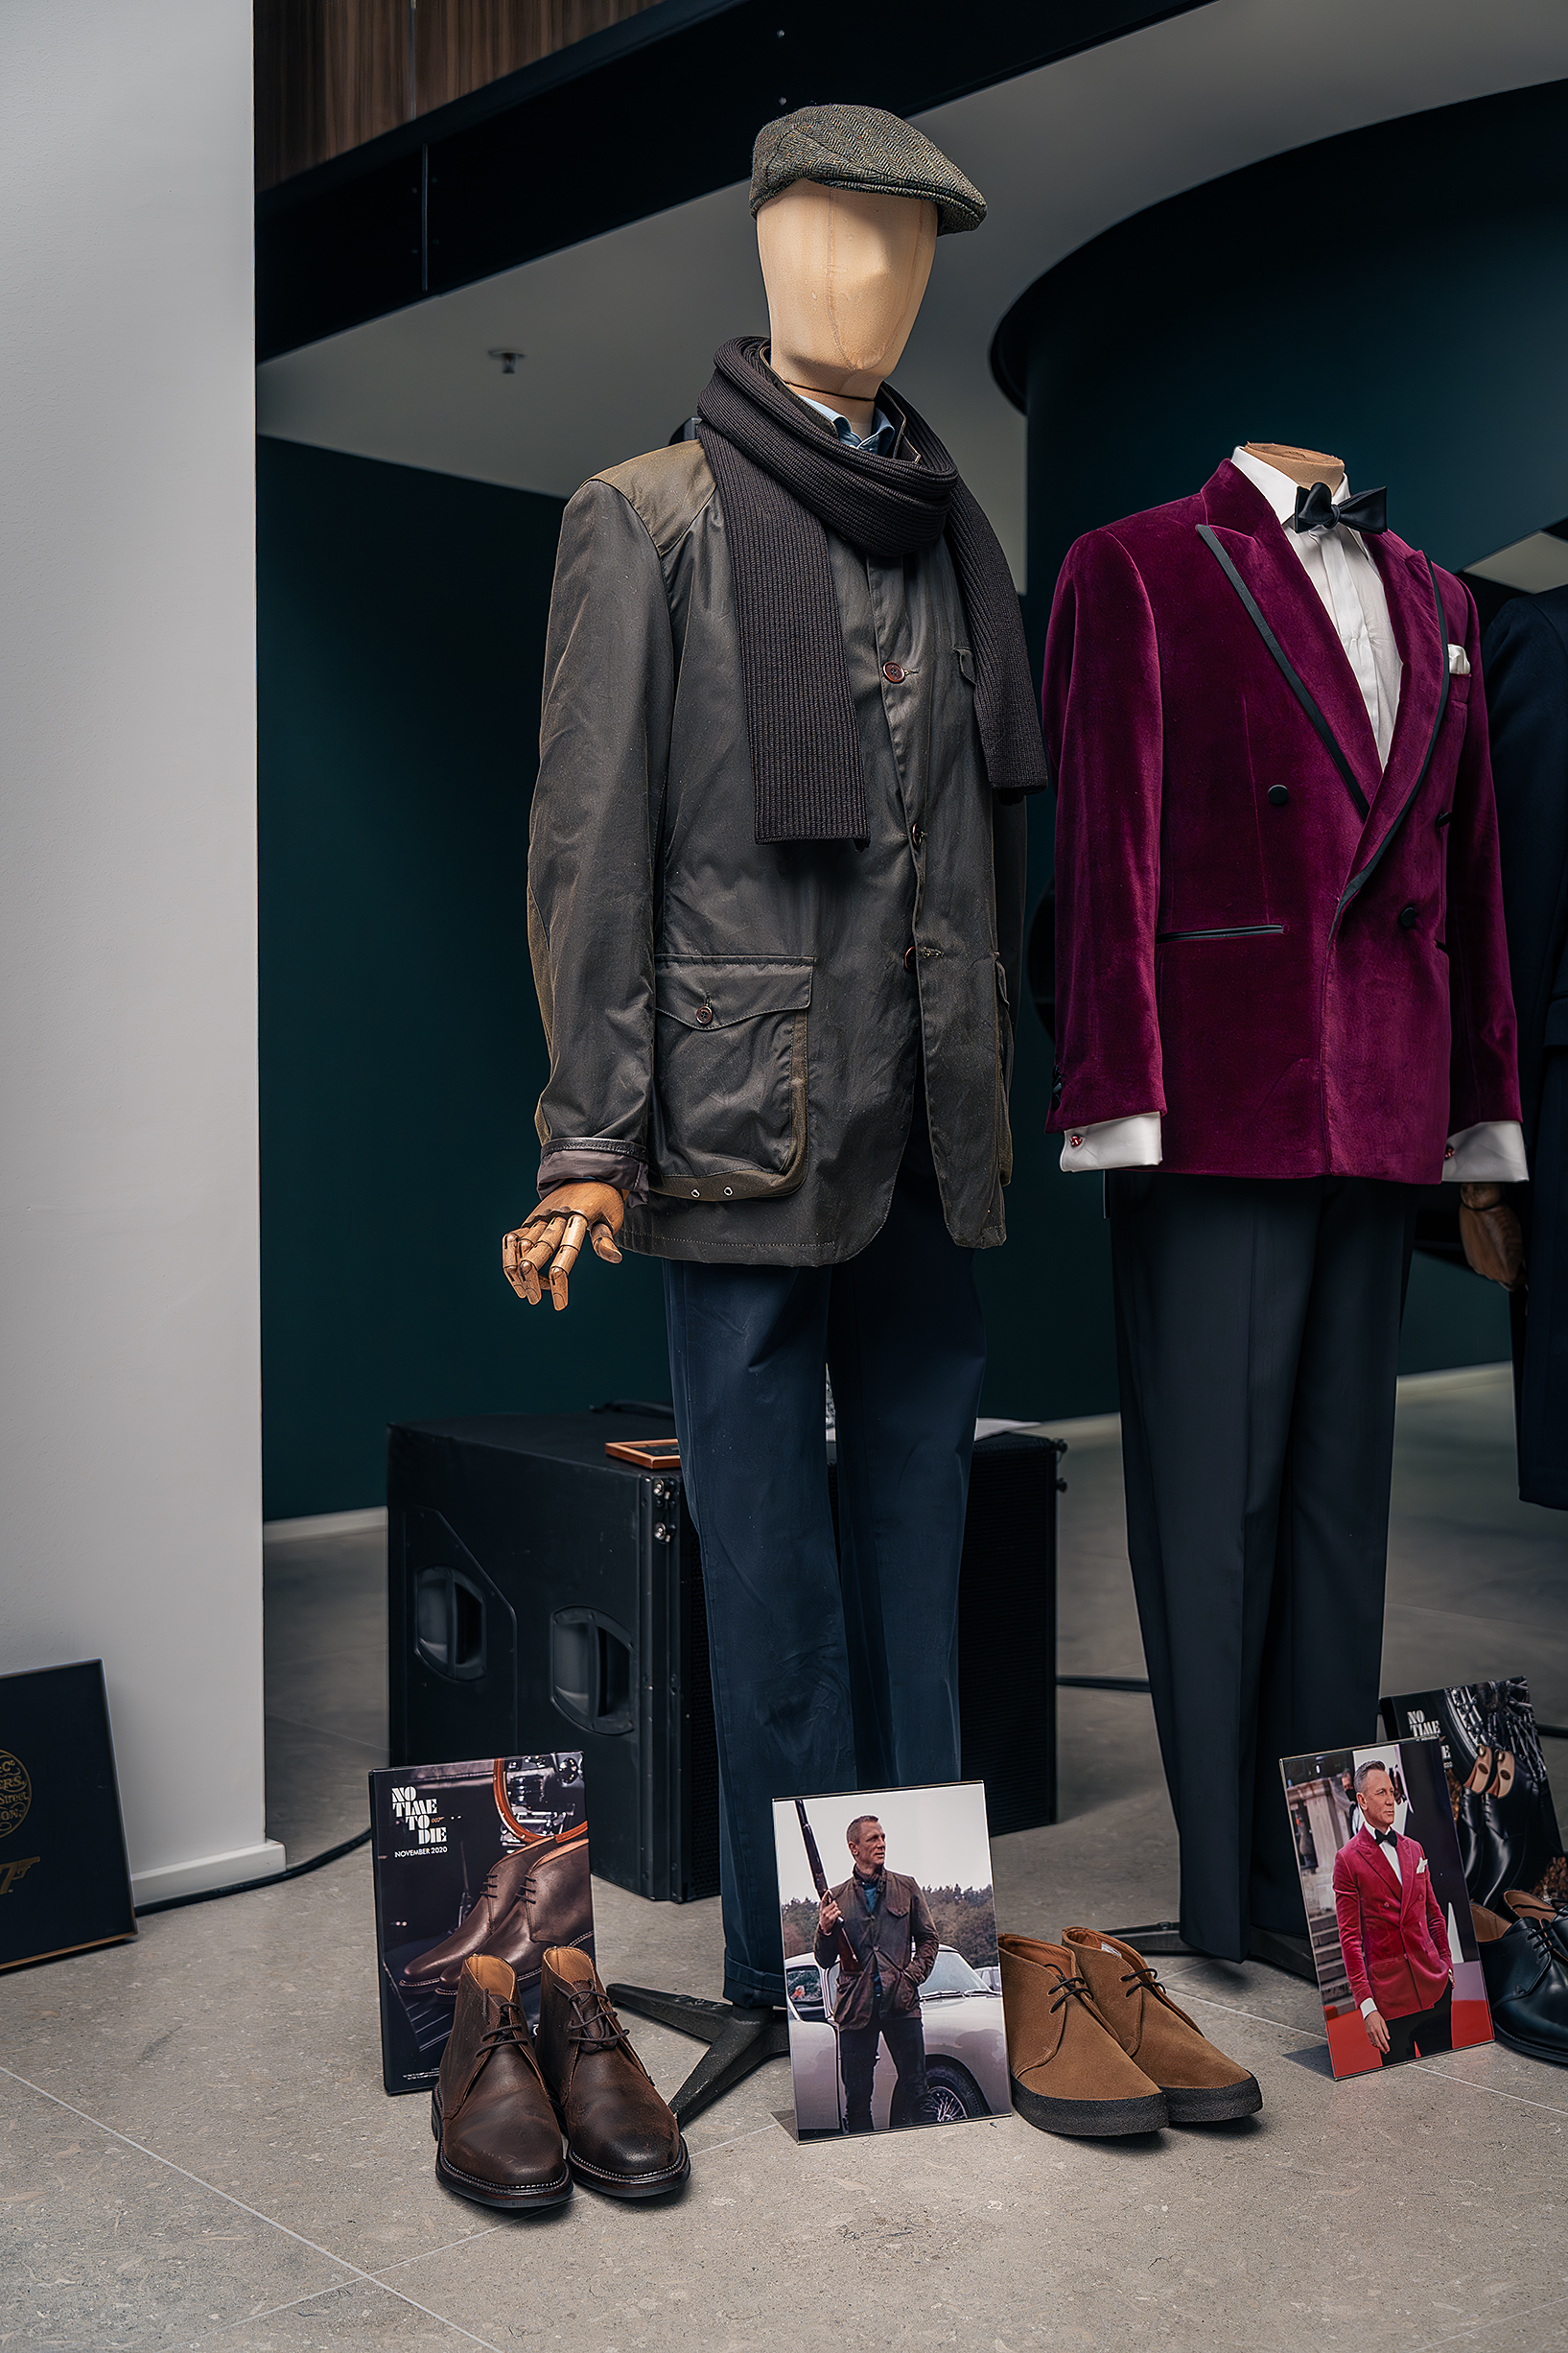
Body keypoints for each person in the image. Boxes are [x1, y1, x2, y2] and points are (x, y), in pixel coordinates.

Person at [815, 1816, 939, 2130]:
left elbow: (928, 1939)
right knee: (857, 2102)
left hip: (902, 2005)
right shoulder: (835, 1898)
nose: (882, 1843)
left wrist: (910, 1978)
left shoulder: (906, 1886)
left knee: (919, 2093)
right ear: (854, 1848)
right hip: (855, 2010)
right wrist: (825, 1928)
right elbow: (824, 1959)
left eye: (883, 1837)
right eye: (873, 1838)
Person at [1332, 1761, 1454, 2062]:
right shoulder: (1347, 1860)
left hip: (1434, 1986)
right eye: (1381, 1793)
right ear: (1362, 1801)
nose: (1390, 1800)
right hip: (1390, 1999)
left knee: (1448, 2078)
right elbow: (1350, 1940)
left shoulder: (1415, 1848)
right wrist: (1367, 2006)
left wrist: (1447, 1964)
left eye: (1391, 1791)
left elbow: (1434, 1915)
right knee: (1402, 2088)